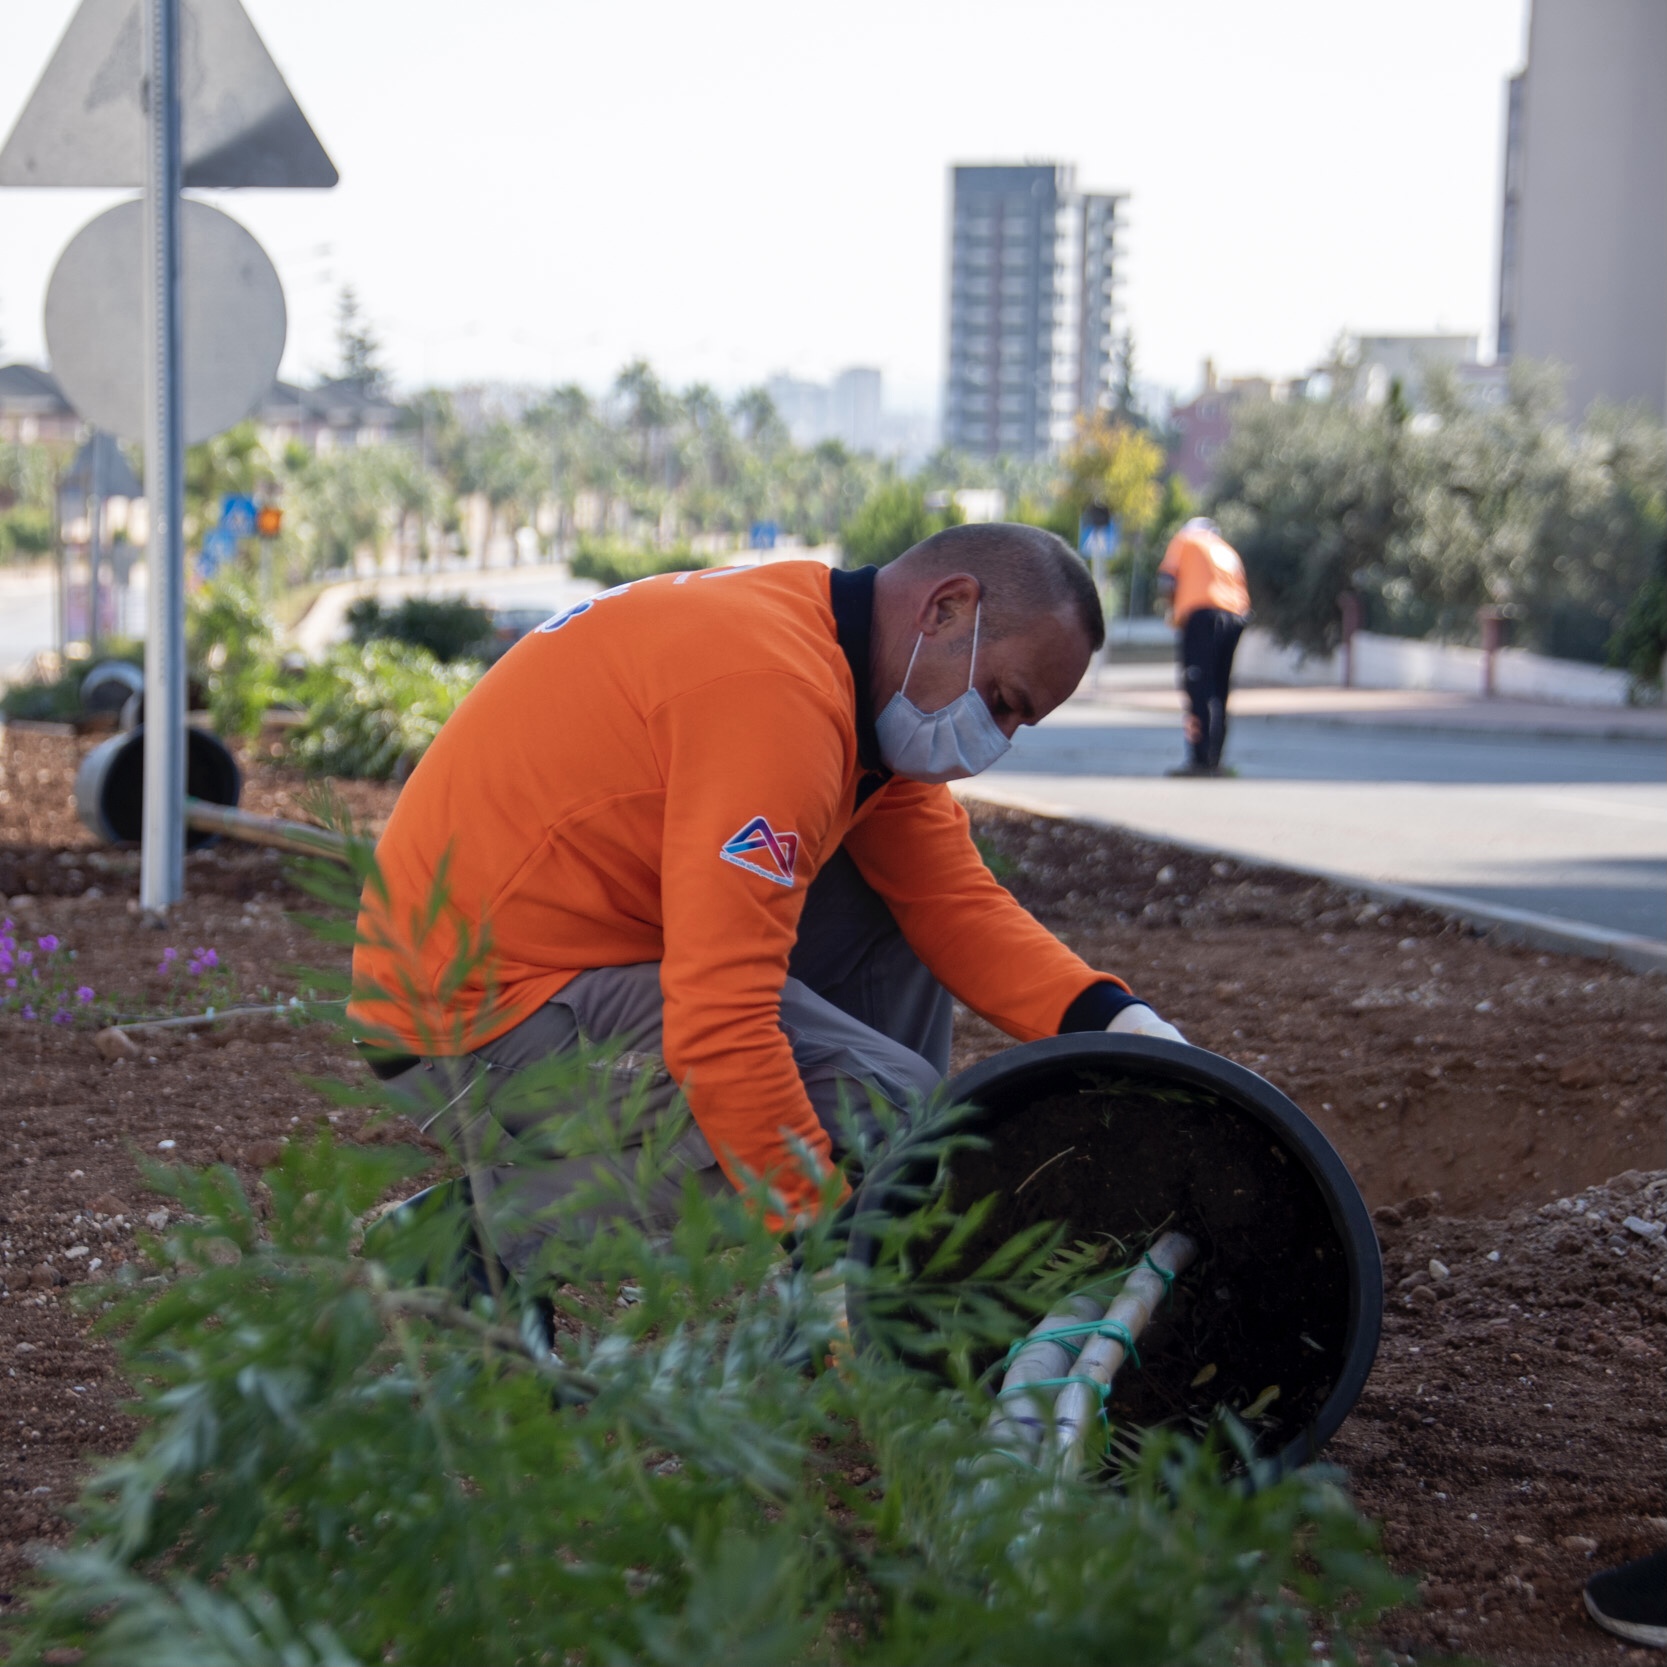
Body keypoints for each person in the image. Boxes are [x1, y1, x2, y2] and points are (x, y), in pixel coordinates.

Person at [349, 524, 1183, 1271]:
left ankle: (865, 1209)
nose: (992, 739)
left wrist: (1127, 1029)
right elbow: (722, 1022)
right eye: (999, 701)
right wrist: (823, 1234)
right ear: (945, 607)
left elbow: (954, 904)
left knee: (891, 927)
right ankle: (475, 1238)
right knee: (882, 1106)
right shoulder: (778, 696)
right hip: (462, 1026)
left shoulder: (836, 667)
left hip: (550, 968)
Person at [1156, 517, 1250, 777]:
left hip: (1202, 617)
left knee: (1198, 686)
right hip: (1235, 617)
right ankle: (1215, 759)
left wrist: (1172, 611)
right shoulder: (1227, 550)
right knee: (1219, 690)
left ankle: (1199, 759)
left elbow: (1167, 581)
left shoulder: (1186, 540)